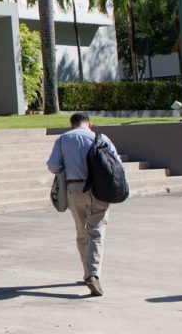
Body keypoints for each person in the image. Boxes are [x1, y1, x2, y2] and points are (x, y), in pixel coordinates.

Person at [46, 112, 122, 297]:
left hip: (75, 188)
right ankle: (92, 274)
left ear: (71, 124)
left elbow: (53, 166)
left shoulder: (63, 139)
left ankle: (87, 271)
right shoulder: (101, 138)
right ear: (90, 124)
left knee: (82, 233)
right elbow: (117, 163)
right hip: (99, 189)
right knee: (96, 232)